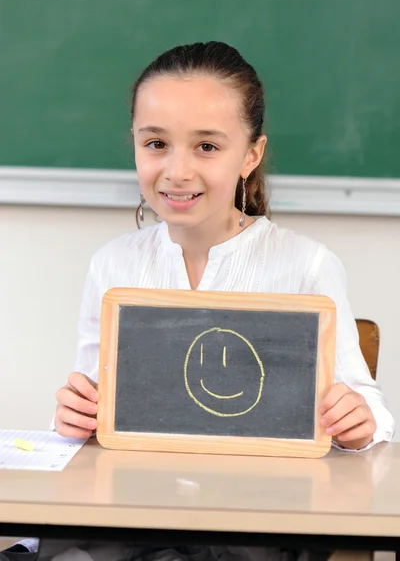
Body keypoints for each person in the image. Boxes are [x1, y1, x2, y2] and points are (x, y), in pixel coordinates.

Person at [50, 41, 393, 560]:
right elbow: (96, 404)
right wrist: (77, 414)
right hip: (136, 513)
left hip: (259, 519)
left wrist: (357, 421)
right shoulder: (113, 265)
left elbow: (373, 414)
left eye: (207, 147)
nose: (177, 170)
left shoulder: (305, 265)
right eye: (156, 144)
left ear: (250, 156)